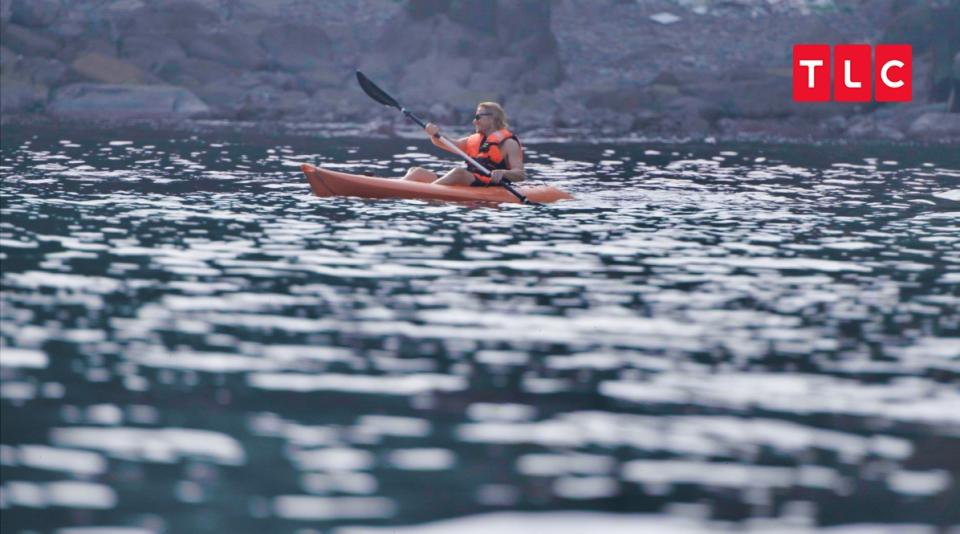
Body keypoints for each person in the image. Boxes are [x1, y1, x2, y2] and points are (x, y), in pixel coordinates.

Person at [401, 102, 524, 187]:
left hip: (490, 185)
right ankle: (394, 189)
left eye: (478, 117)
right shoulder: (473, 140)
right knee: (416, 171)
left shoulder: (509, 144)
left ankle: (425, 193)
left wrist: (503, 173)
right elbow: (445, 143)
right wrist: (434, 134)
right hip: (470, 181)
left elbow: (520, 174)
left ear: (492, 119)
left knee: (459, 172)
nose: (474, 121)